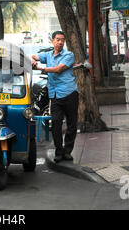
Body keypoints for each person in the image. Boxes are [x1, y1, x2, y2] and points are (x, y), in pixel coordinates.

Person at [31, 31, 79, 163]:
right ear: (52, 41)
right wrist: (32, 60)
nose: (60, 42)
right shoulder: (48, 55)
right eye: (58, 39)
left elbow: (58, 69)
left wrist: (40, 69)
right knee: (56, 124)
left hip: (69, 93)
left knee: (72, 124)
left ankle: (67, 151)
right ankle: (59, 151)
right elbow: (34, 56)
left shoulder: (69, 55)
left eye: (62, 40)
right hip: (55, 95)